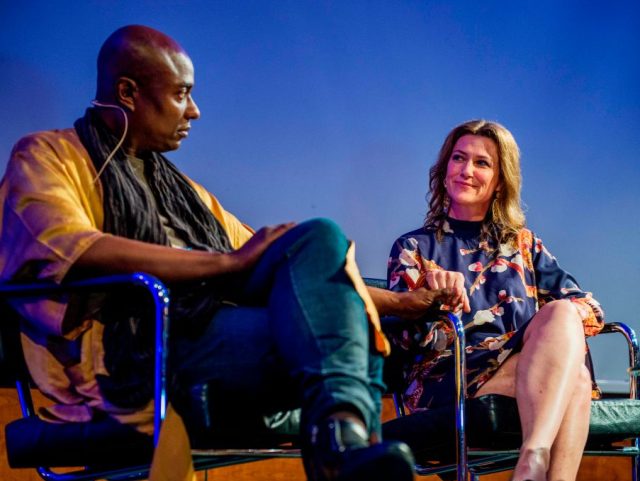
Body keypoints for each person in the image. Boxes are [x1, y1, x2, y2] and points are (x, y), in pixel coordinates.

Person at [0, 25, 450, 481]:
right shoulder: (47, 156)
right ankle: (342, 444)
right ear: (128, 92)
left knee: (315, 237)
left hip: (214, 325)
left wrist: (403, 304)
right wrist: (224, 263)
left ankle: (339, 437)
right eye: (181, 94)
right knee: (340, 343)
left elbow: (290, 267)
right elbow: (69, 248)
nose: (194, 111)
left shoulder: (186, 193)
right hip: (136, 349)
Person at [386, 119, 604, 481]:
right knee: (575, 379)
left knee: (565, 315)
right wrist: (431, 299)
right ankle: (533, 462)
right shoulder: (414, 249)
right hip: (451, 383)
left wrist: (551, 331)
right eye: (458, 158)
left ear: (501, 180)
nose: (466, 170)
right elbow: (404, 343)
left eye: (482, 163)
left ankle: (533, 458)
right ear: (444, 171)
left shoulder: (523, 244)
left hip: (523, 373)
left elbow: (590, 309)